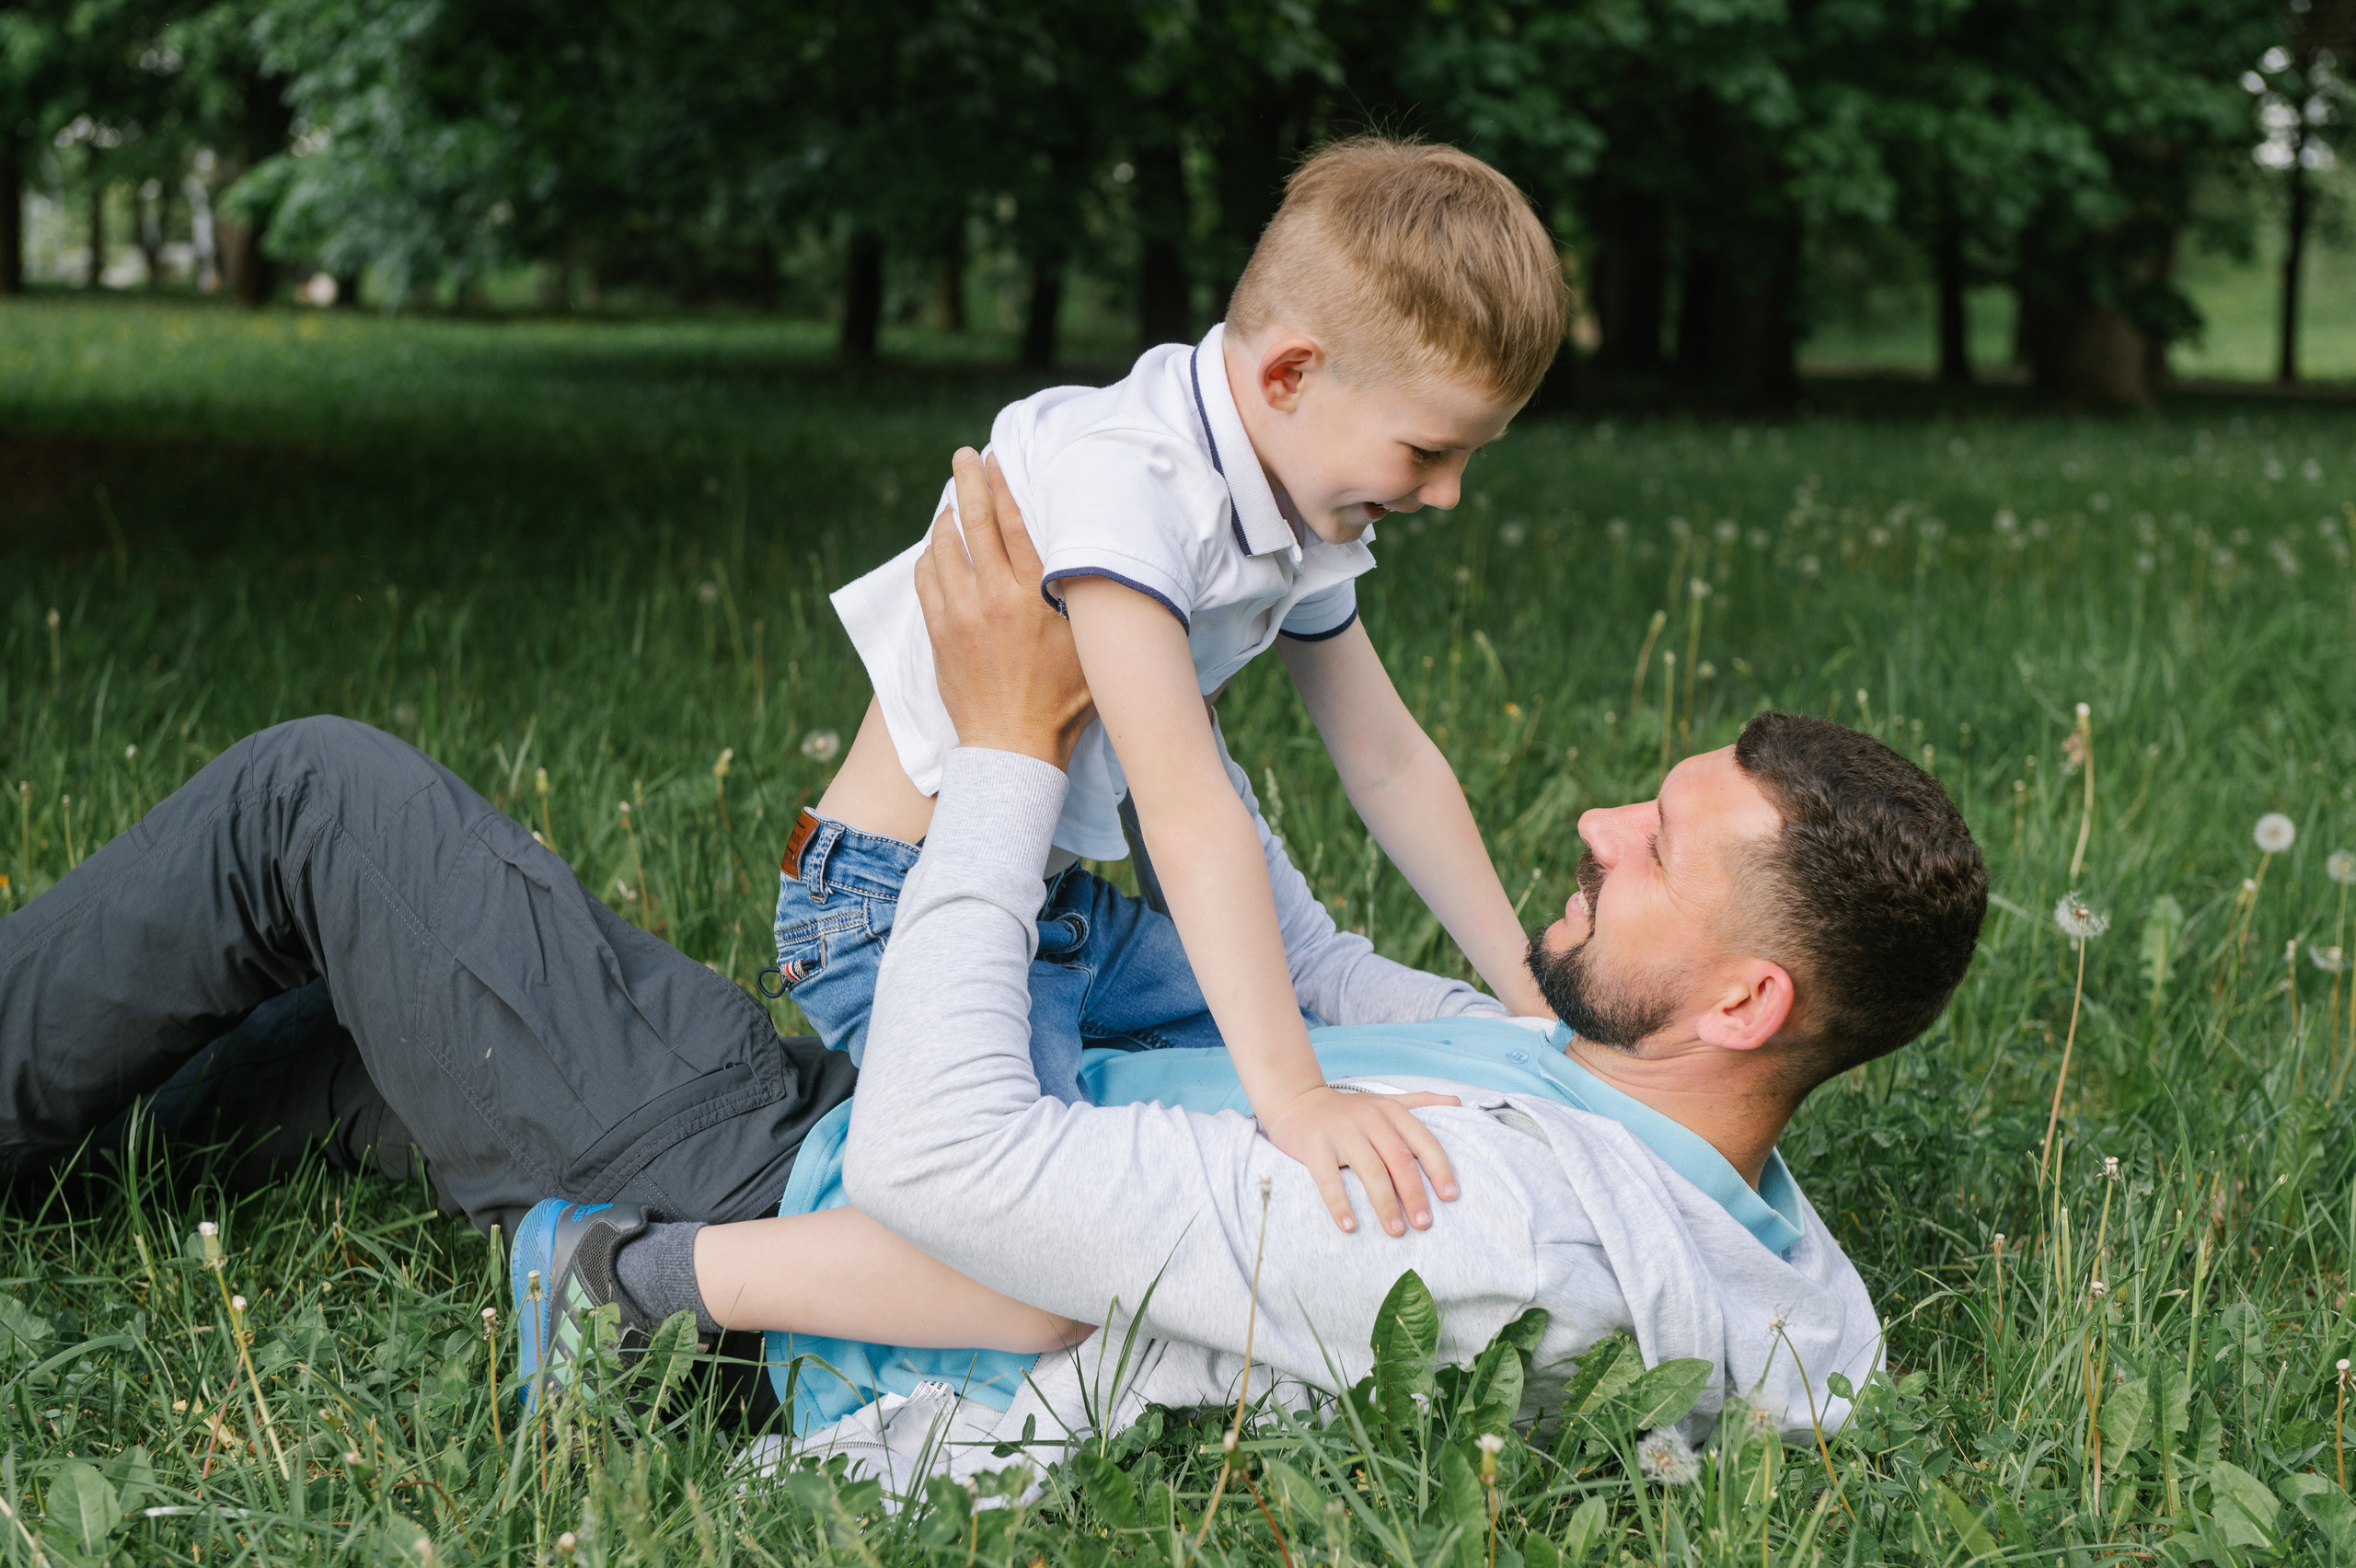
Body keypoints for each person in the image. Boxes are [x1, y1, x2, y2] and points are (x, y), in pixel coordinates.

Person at [0, 454, 1986, 1479]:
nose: (1594, 832)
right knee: (316, 1023)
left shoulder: (1469, 1221)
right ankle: (96, 1136)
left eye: (1656, 852)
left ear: (1745, 1005)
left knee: (315, 801)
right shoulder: (1681, 1175)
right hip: (827, 1132)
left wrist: (1007, 748)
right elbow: (1284, 961)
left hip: (777, 1196)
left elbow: (956, 1176)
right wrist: (1141, 666)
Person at [803, 135, 1562, 1238]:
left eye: (1467, 461)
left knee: (1310, 1032)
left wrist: (1523, 981)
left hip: (1058, 909)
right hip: (892, 907)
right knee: (1038, 1219)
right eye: (1425, 453)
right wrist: (1293, 1096)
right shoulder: (1130, 478)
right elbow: (1180, 803)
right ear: (1289, 375)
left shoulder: (1295, 483)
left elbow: (1386, 755)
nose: (1444, 496)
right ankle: (698, 1263)